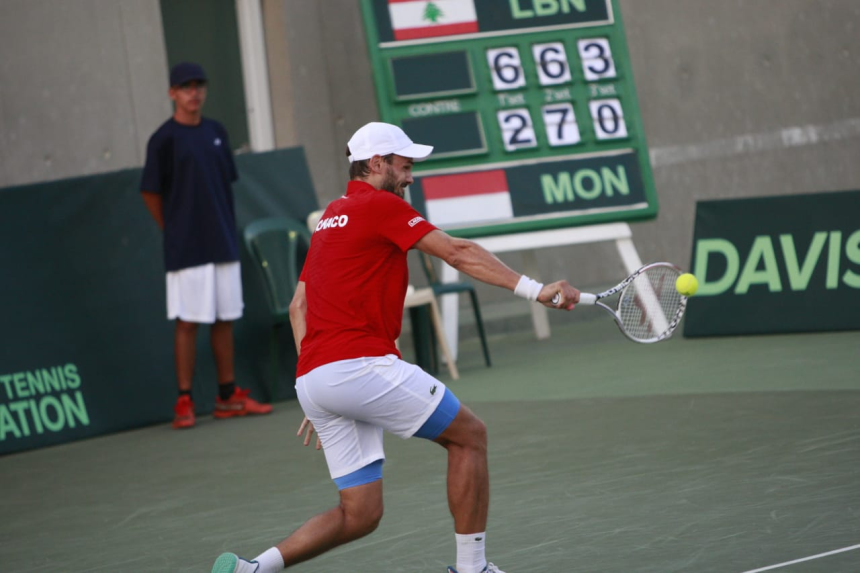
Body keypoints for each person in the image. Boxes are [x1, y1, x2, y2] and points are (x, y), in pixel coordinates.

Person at [211, 122, 580, 573]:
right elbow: (457, 252)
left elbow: (297, 307)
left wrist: (316, 382)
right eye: (404, 166)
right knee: (470, 436)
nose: (410, 176)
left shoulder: (330, 217)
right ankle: (472, 569)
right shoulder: (380, 205)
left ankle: (253, 569)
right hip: (358, 366)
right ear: (376, 164)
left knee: (360, 514)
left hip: (314, 377)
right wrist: (536, 289)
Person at [140, 62, 272, 430]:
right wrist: (173, 229)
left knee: (224, 317)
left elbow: (225, 182)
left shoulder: (216, 132)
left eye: (199, 85)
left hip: (222, 242)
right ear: (172, 93)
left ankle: (227, 396)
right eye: (186, 87)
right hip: (186, 248)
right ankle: (184, 400)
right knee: (188, 321)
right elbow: (150, 191)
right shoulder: (163, 139)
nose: (194, 92)